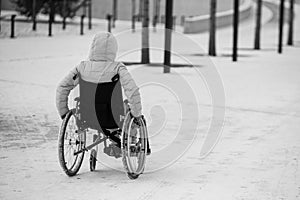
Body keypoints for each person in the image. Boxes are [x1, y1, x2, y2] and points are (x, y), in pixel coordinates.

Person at [55, 32, 142, 120]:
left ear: (93, 47)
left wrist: (64, 113)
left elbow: (63, 87)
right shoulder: (118, 68)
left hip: (87, 117)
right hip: (113, 118)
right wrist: (136, 115)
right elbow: (132, 91)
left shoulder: (82, 67)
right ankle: (132, 133)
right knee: (129, 112)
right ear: (114, 49)